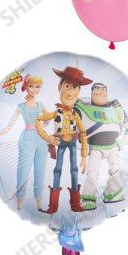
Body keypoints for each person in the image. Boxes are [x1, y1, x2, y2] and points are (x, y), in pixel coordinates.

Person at [36, 66, 92, 214]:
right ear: (60, 87)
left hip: (73, 143)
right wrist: (47, 137)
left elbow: (83, 133)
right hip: (60, 143)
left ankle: (76, 204)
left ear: (78, 92)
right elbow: (38, 120)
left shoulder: (75, 114)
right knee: (57, 170)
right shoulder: (56, 112)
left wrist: (84, 156)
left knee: (74, 170)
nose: (70, 92)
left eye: (75, 87)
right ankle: (53, 206)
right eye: (67, 86)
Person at [76, 83, 128, 209]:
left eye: (103, 90)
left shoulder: (117, 108)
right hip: (95, 147)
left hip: (113, 147)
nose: (100, 92)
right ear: (92, 93)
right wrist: (82, 146)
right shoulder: (80, 108)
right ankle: (88, 198)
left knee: (116, 170)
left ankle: (113, 194)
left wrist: (121, 143)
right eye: (97, 91)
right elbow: (72, 133)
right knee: (93, 172)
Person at [0, 74, 48, 211]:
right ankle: (19, 202)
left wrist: (42, 125)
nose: (34, 89)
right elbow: (10, 124)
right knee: (23, 170)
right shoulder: (21, 106)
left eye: (38, 87)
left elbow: (49, 118)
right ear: (26, 86)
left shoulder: (41, 105)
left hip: (41, 139)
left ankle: (39, 203)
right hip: (27, 139)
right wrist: (0, 134)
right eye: (31, 86)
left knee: (40, 171)